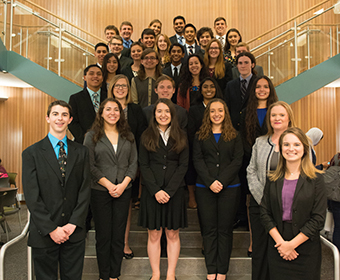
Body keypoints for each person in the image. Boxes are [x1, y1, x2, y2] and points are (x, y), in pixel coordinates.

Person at [22, 100, 90, 280]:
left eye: (64, 115)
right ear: (47, 118)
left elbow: (84, 191)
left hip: (73, 232)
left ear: (70, 120)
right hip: (44, 233)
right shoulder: (31, 153)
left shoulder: (82, 152)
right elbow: (31, 196)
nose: (60, 118)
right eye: (55, 114)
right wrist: (52, 229)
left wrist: (73, 223)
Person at [261, 127, 326, 280]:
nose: (291, 149)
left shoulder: (317, 179)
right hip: (278, 246)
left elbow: (318, 218)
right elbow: (265, 213)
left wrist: (291, 245)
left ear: (304, 148)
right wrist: (282, 244)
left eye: (296, 144)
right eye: (286, 144)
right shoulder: (272, 178)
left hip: (306, 247)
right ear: (281, 148)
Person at [84, 98, 138, 280]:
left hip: (124, 191)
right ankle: (103, 275)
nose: (112, 113)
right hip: (100, 192)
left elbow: (134, 163)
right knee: (104, 236)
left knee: (118, 236)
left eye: (116, 109)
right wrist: (108, 184)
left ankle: (114, 275)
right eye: (108, 109)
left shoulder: (128, 135)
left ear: (120, 113)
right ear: (101, 113)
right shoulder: (91, 136)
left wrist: (122, 185)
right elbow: (89, 166)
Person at [139, 98, 189, 280]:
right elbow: (143, 165)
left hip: (174, 193)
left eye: (167, 111)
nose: (163, 115)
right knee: (153, 234)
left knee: (172, 233)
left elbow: (183, 165)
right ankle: (155, 274)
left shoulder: (181, 135)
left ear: (172, 114)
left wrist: (169, 190)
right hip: (152, 192)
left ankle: (170, 275)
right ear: (154, 114)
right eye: (159, 111)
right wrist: (156, 190)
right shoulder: (146, 135)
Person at [193, 98, 243, 280]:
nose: (216, 114)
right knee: (208, 229)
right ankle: (211, 271)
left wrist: (221, 180)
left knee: (224, 230)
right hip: (204, 188)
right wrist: (210, 181)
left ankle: (222, 272)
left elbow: (237, 160)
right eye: (212, 111)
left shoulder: (235, 135)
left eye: (220, 110)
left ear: (225, 113)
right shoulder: (200, 135)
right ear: (208, 114)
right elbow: (197, 160)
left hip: (229, 188)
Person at [247, 101, 296, 280]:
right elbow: (251, 171)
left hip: (287, 207)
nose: (277, 118)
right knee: (260, 251)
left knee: (281, 250)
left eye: (281, 115)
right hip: (259, 205)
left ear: (289, 118)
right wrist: (263, 198)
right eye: (273, 115)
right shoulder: (260, 142)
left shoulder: (298, 142)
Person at [108, 75, 148, 259]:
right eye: (117, 85)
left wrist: (137, 163)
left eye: (124, 85)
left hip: (129, 164)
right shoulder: (105, 107)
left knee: (127, 205)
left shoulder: (135, 109)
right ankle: (110, 242)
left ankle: (124, 243)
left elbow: (141, 135)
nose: (121, 88)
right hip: (107, 164)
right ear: (112, 88)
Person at [239, 75, 278, 256]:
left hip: (274, 163)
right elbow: (243, 137)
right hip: (250, 162)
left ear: (270, 89)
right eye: (258, 87)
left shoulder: (276, 111)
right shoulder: (246, 111)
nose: (262, 90)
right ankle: (254, 241)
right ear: (253, 90)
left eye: (265, 87)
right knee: (252, 202)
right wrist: (253, 153)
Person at [187, 77, 223, 208]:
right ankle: (192, 196)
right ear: (200, 90)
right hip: (198, 146)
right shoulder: (194, 109)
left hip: (218, 146)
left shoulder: (222, 106)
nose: (209, 89)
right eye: (205, 87)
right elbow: (191, 132)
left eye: (212, 86)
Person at [69, 64, 106, 144]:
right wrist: (86, 138)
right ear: (85, 77)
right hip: (83, 143)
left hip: (107, 143)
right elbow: (72, 122)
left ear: (102, 78)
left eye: (99, 74)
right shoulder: (75, 98)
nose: (95, 76)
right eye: (91, 73)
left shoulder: (109, 97)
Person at [224, 52, 257, 130]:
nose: (243, 66)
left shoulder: (259, 83)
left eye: (246, 63)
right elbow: (227, 107)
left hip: (254, 126)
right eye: (240, 63)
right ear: (237, 66)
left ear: (252, 65)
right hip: (235, 128)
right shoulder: (230, 85)